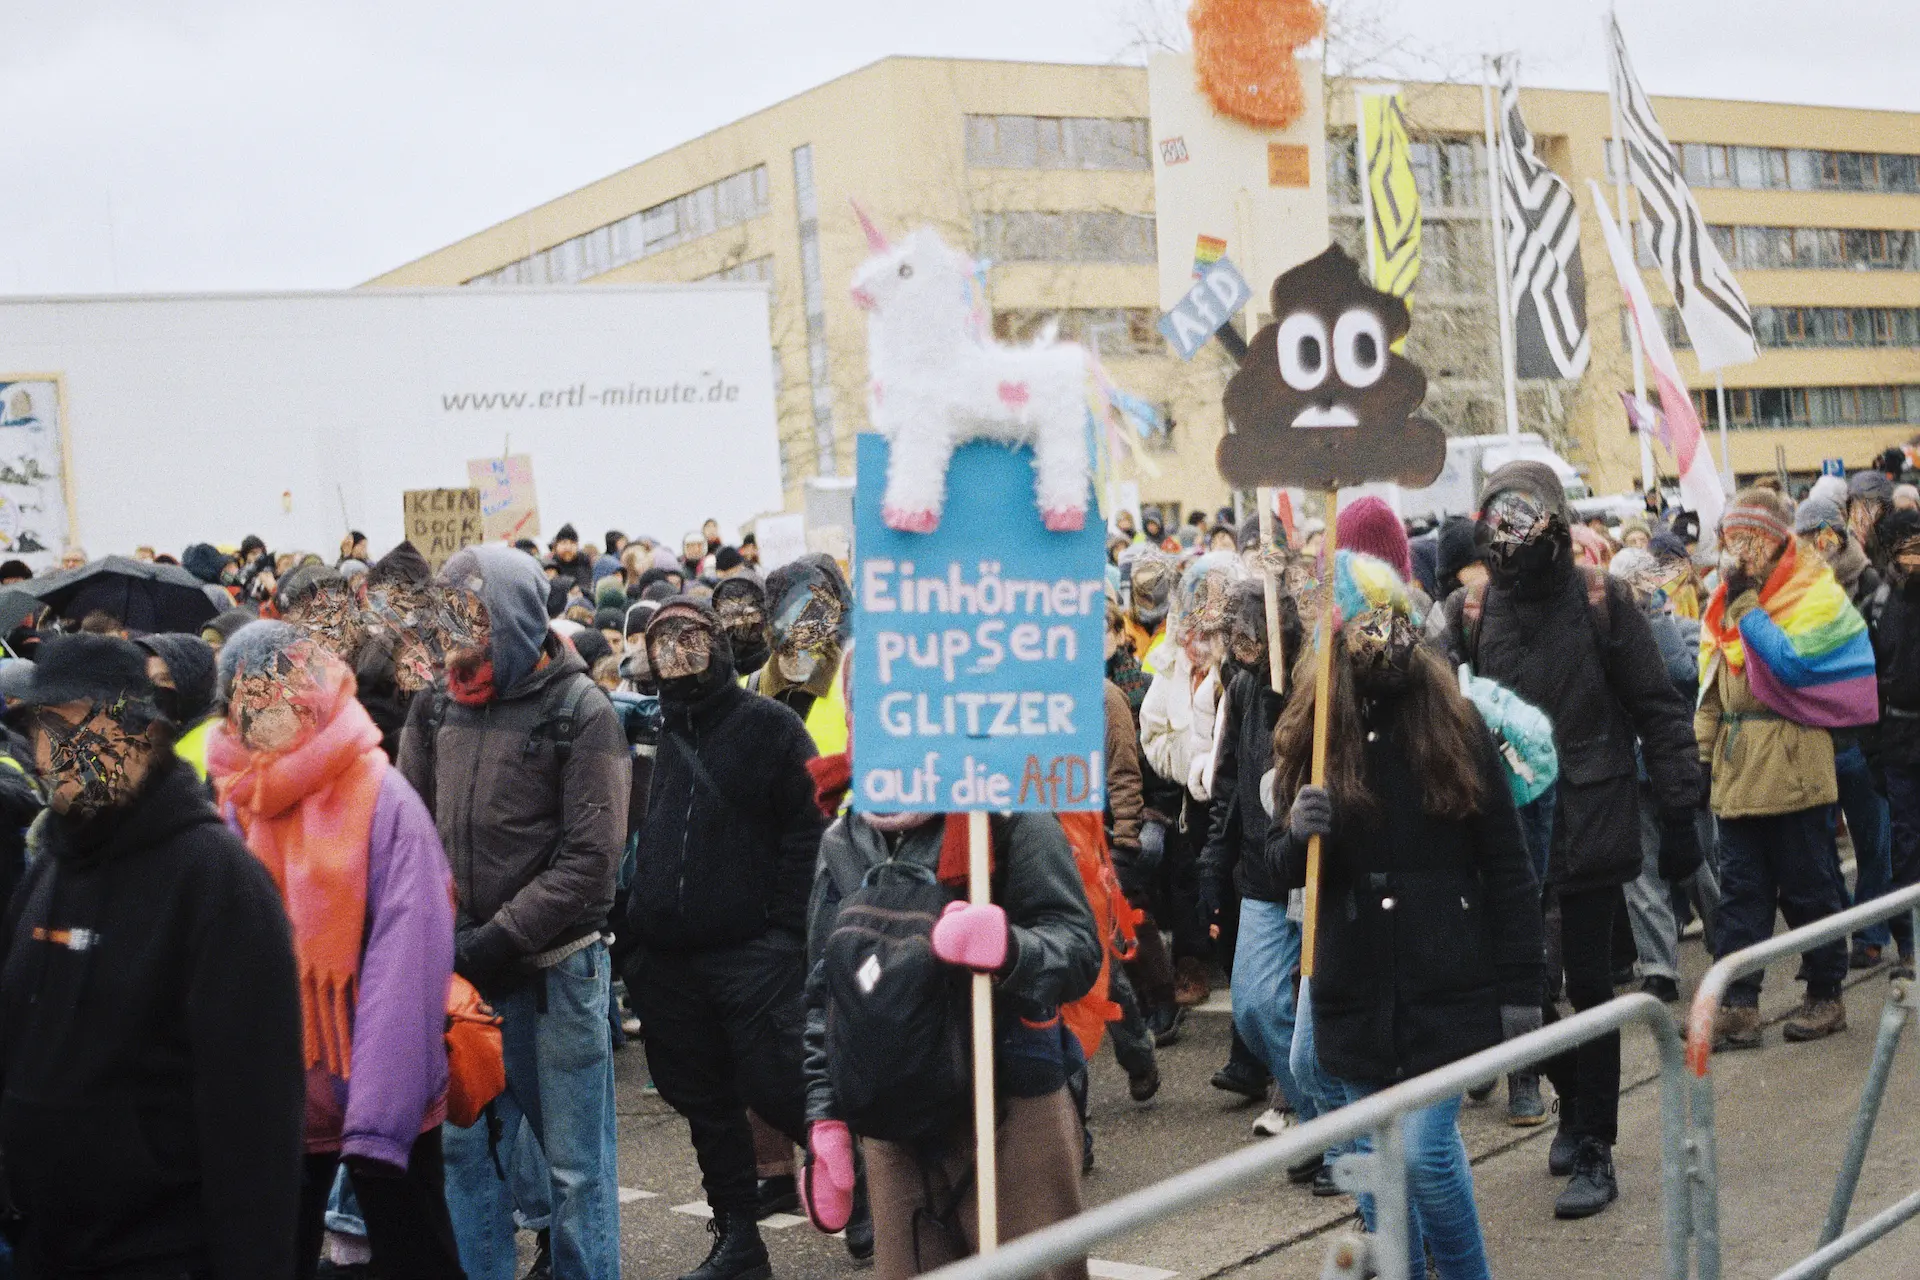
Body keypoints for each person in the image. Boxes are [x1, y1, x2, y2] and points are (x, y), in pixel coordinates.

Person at [1441, 461, 1701, 1220]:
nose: (1511, 537)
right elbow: (1447, 714)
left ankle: (1595, 1145)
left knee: (1589, 985)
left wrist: (1680, 816)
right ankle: (1572, 1098)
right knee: (1515, 988)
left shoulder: (1602, 600)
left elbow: (1657, 708)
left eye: (1524, 520)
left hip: (1591, 815)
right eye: (1499, 522)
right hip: (1508, 827)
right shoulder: (1469, 610)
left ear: (1554, 521)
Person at [1272, 553, 1544, 1279]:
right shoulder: (1316, 733)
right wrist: (1297, 834)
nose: (1379, 639)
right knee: (1379, 1166)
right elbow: (1270, 870)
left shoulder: (1456, 721)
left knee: (1425, 1153)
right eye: (1362, 625)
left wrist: (1522, 989)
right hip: (1356, 984)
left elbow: (1508, 864)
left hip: (1445, 979)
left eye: (1390, 622)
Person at [0, 634, 305, 1278]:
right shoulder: (49, 871)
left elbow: (255, 1127)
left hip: (165, 1252)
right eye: (49, 730)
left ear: (147, 735)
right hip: (44, 1248)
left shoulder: (217, 883)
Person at [398, 545, 629, 1280]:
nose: (453, 633)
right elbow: (408, 833)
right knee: (465, 1157)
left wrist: (496, 938)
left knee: (574, 1171)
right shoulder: (434, 704)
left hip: (555, 973)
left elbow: (592, 860)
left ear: (514, 617)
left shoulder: (580, 709)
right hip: (460, 977)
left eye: (471, 615)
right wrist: (440, 937)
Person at [208, 623, 463, 1280]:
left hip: (376, 1088)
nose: (259, 719)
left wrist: (378, 1119)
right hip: (280, 1094)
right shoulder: (237, 793)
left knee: (415, 1257)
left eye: (274, 697)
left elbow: (407, 964)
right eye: (245, 703)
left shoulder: (382, 796)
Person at [802, 803, 1099, 1280]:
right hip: (893, 1121)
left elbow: (1079, 949)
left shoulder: (1008, 814)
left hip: (1008, 1105)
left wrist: (1011, 948)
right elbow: (827, 985)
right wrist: (825, 1115)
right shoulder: (844, 836)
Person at [626, 597, 828, 1280]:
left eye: (691, 640)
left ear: (715, 644)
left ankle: (863, 1185)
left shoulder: (770, 728)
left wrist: (784, 932)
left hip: (752, 955)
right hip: (669, 961)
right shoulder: (650, 730)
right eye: (665, 644)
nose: (679, 655)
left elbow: (809, 828)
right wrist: (635, 937)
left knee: (781, 1086)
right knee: (707, 1107)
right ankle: (738, 1237)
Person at [1701, 490, 1867, 1049]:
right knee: (1740, 897)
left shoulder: (1812, 592)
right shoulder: (1723, 600)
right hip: (1738, 772)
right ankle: (1738, 1005)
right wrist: (1699, 757)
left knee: (1809, 889)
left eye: (1748, 539)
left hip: (1795, 767)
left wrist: (1747, 607)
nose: (1737, 551)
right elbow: (1712, 690)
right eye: (1731, 539)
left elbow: (1790, 667)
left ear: (1774, 541)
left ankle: (1826, 993)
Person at [1796, 493, 1895, 967]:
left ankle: (1871, 933)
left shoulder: (1871, 583)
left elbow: (1885, 660)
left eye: (1818, 537)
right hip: (1815, 736)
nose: (1813, 548)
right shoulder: (1794, 593)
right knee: (1818, 848)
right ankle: (1840, 926)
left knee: (1874, 841)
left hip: (1864, 735)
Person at [1870, 508, 1920, 978]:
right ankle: (1911, 947)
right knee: (1906, 848)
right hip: (1899, 741)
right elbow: (1868, 681)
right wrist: (1873, 752)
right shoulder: (1880, 602)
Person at [135, 633, 221, 781]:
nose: (154, 690)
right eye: (147, 681)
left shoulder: (214, 742)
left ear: (194, 680)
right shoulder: (161, 736)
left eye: (164, 679)